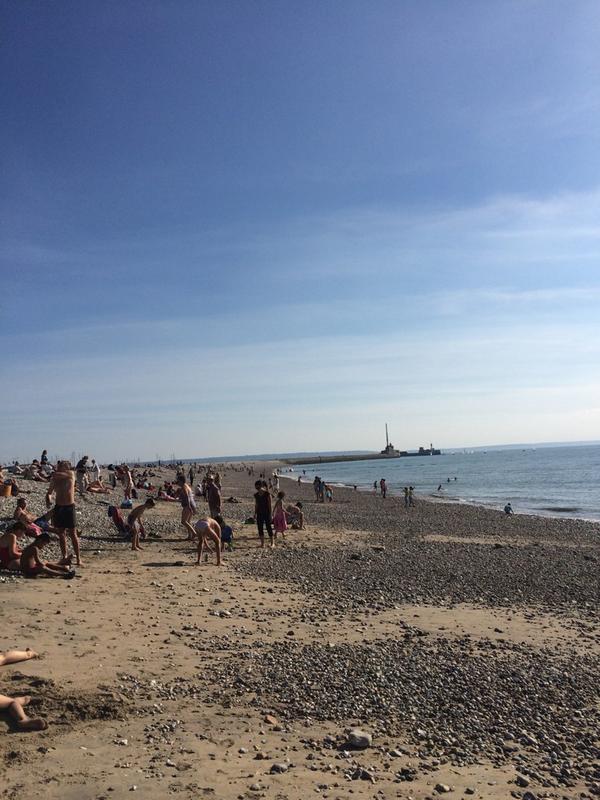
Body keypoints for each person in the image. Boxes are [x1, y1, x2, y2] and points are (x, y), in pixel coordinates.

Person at [46, 461, 81, 566]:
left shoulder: (70, 474)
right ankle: (64, 557)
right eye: (59, 466)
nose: (59, 467)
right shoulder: (55, 479)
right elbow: (49, 492)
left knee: (73, 533)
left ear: (66, 467)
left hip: (69, 506)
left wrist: (54, 473)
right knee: (61, 533)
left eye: (61, 466)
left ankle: (78, 558)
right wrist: (48, 499)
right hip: (59, 507)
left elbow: (55, 474)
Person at [176, 475, 197, 540]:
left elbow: (187, 496)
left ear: (181, 481)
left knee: (183, 521)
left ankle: (194, 533)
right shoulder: (187, 486)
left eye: (178, 481)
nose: (177, 482)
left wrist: (188, 506)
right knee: (188, 521)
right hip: (192, 504)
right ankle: (190, 536)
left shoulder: (184, 486)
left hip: (188, 505)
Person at [254, 480, 273, 548]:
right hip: (259, 513)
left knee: (268, 527)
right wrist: (255, 513)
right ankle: (262, 543)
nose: (257, 489)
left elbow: (270, 505)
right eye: (256, 488)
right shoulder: (256, 495)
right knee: (260, 528)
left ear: (262, 486)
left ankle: (272, 543)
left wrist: (271, 515)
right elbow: (256, 505)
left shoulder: (267, 494)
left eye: (258, 487)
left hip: (267, 513)